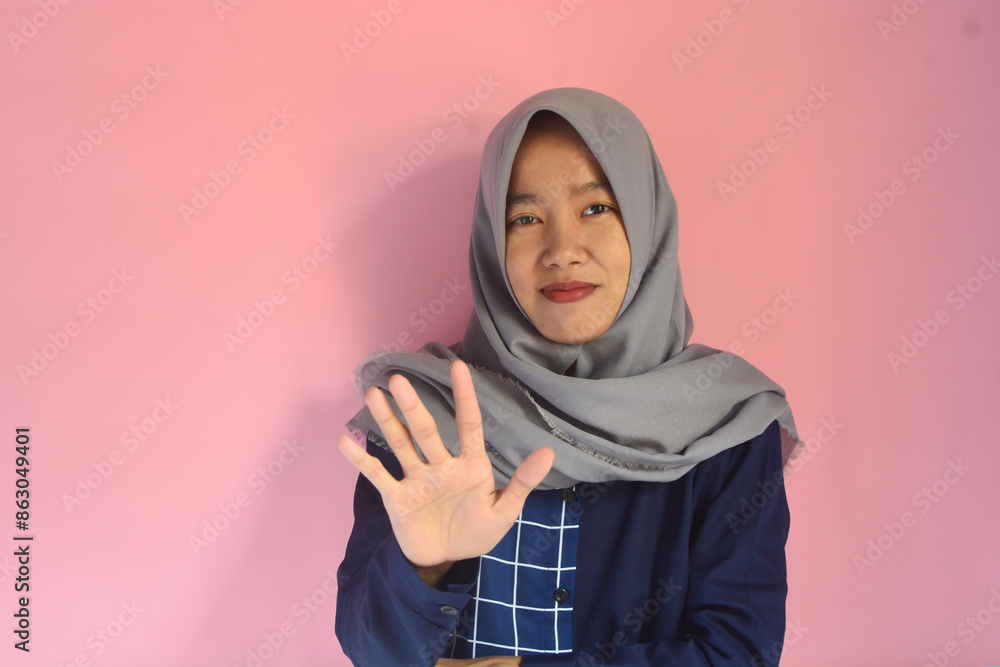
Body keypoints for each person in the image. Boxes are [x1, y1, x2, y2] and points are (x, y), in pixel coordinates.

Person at [335, 87, 803, 666]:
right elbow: (372, 653)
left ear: (647, 221)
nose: (562, 250)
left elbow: (740, 654)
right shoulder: (428, 411)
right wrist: (425, 566)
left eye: (596, 208)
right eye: (525, 218)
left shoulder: (724, 424)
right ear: (491, 242)